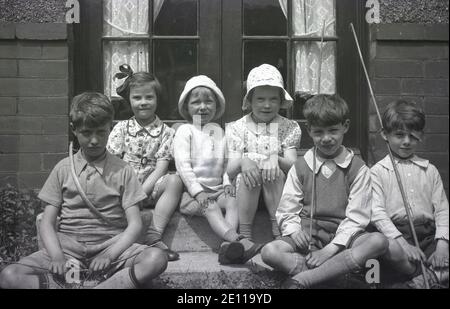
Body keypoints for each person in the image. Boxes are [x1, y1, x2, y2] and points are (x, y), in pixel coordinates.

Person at [0, 92, 167, 289]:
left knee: (156, 258)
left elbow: (135, 224)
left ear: (110, 129)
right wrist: (57, 256)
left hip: (112, 249)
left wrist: (110, 254)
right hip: (69, 250)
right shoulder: (63, 169)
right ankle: (92, 283)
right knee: (10, 275)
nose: (94, 140)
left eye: (101, 132)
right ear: (74, 130)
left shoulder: (123, 170)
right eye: (87, 133)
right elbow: (47, 222)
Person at [261, 94, 388, 289]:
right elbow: (287, 208)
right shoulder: (301, 166)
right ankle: (337, 276)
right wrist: (294, 232)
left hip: (345, 237)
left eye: (333, 131)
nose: (326, 138)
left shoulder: (358, 168)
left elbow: (357, 217)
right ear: (308, 131)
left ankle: (307, 279)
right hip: (308, 234)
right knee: (270, 251)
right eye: (319, 132)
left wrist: (328, 251)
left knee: (378, 241)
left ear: (345, 126)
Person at [174, 75, 259, 264]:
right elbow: (183, 167)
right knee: (210, 206)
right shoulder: (185, 131)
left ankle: (226, 247)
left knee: (232, 201)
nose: (203, 107)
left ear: (217, 105)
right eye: (196, 102)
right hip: (192, 194)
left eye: (208, 102)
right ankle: (238, 240)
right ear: (186, 107)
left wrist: (228, 182)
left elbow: (224, 164)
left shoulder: (219, 132)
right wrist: (198, 193)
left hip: (217, 190)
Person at [107, 64, 183, 261]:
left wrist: (140, 194)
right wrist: (128, 193)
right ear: (129, 100)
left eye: (149, 97)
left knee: (174, 181)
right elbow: (112, 164)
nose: (143, 102)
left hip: (150, 189)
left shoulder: (167, 132)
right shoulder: (121, 129)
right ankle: (115, 239)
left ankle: (154, 235)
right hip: (123, 189)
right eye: (137, 98)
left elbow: (160, 169)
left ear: (157, 99)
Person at [371, 100, 449, 288]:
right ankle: (430, 276)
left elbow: (442, 211)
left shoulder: (429, 170)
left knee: (444, 255)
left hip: (428, 235)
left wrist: (442, 246)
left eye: (413, 136)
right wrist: (404, 245)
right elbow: (377, 213)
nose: (406, 141)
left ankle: (422, 280)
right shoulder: (378, 171)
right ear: (385, 134)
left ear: (420, 136)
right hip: (397, 234)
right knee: (385, 248)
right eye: (399, 135)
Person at [226, 64, 301, 254]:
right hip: (244, 195)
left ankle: (279, 232)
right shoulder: (237, 127)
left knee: (273, 170)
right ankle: (245, 236)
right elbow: (230, 170)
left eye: (273, 99)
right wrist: (245, 160)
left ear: (281, 101)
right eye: (260, 99)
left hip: (278, 192)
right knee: (245, 174)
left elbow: (293, 165)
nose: (266, 105)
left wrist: (275, 158)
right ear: (249, 101)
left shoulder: (288, 127)